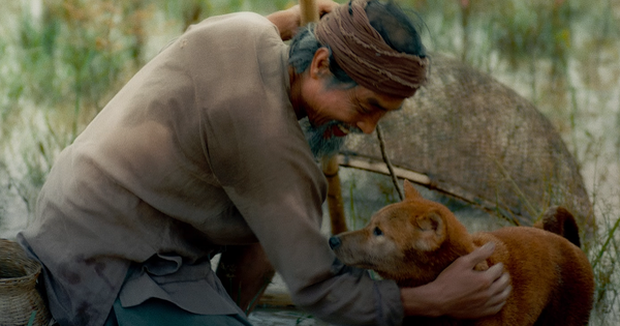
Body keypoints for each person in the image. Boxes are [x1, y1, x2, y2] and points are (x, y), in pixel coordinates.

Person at [17, 0, 511, 325]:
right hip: (102, 266)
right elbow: (321, 291)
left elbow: (289, 22)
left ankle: (223, 309)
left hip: (69, 210)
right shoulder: (274, 151)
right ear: (319, 65)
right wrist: (436, 299)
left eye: (385, 113)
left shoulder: (244, 29)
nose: (366, 129)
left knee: (266, 238)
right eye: (366, 107)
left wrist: (313, 21)